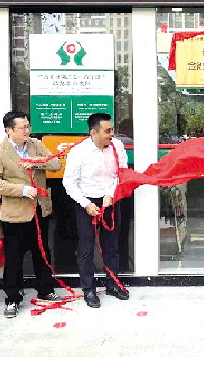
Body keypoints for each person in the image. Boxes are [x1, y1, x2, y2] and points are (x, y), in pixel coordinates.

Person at [0, 111, 62, 318]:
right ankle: (12, 298)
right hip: (15, 213)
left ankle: (46, 289)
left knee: (42, 253)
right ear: (9, 130)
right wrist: (22, 190)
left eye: (28, 126)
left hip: (39, 209)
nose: (27, 131)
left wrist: (35, 161)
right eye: (22, 127)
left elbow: (56, 164)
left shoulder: (36, 144)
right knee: (14, 258)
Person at [62, 112, 129, 308]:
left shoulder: (117, 146)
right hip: (86, 201)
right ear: (94, 132)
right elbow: (69, 182)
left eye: (112, 130)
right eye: (107, 131)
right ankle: (89, 289)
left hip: (110, 199)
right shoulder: (79, 152)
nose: (111, 134)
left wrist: (110, 194)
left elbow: (122, 173)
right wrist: (86, 204)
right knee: (86, 248)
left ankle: (112, 284)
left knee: (112, 246)